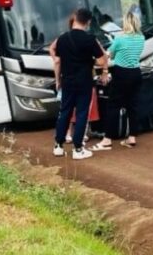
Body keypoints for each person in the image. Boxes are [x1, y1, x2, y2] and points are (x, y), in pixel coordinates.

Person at [52, 8, 109, 160]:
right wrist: (93, 62)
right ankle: (78, 149)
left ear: (75, 18)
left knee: (64, 112)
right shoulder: (89, 39)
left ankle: (58, 145)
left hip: (67, 81)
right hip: (84, 81)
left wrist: (58, 80)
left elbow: (58, 61)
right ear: (88, 22)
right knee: (82, 113)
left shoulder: (62, 38)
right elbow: (101, 60)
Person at [89, 9, 145, 151]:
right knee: (133, 105)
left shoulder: (120, 38)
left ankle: (107, 139)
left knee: (113, 105)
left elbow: (108, 54)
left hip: (122, 73)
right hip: (136, 72)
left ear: (126, 23)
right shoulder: (141, 38)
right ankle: (132, 136)